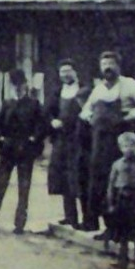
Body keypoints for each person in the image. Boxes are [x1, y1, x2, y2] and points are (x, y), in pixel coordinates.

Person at [80, 51, 135, 236]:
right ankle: (107, 226)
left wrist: (129, 116)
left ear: (119, 66)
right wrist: (90, 117)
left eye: (111, 64)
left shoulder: (129, 85)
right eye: (104, 65)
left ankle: (125, 228)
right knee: (102, 182)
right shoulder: (98, 89)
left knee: (122, 182)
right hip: (100, 141)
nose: (107, 68)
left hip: (119, 140)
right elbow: (85, 109)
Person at [0, 70, 48, 234]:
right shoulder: (8, 104)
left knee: (24, 187)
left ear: (26, 85)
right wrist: (0, 138)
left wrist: (34, 139)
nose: (18, 88)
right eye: (15, 85)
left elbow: (42, 126)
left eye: (21, 85)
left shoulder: (34, 105)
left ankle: (19, 224)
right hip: (8, 150)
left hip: (26, 151)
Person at [44, 61, 88, 229]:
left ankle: (86, 218)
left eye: (68, 71)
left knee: (78, 176)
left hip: (79, 139)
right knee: (62, 177)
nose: (65, 75)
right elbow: (47, 112)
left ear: (75, 72)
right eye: (62, 72)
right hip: (61, 140)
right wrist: (52, 121)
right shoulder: (56, 92)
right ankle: (70, 216)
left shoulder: (84, 89)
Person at [105, 131, 135, 269]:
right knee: (123, 232)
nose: (128, 149)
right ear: (120, 148)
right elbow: (111, 185)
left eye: (131, 145)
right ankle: (122, 260)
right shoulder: (117, 165)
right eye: (125, 146)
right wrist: (111, 203)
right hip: (121, 199)